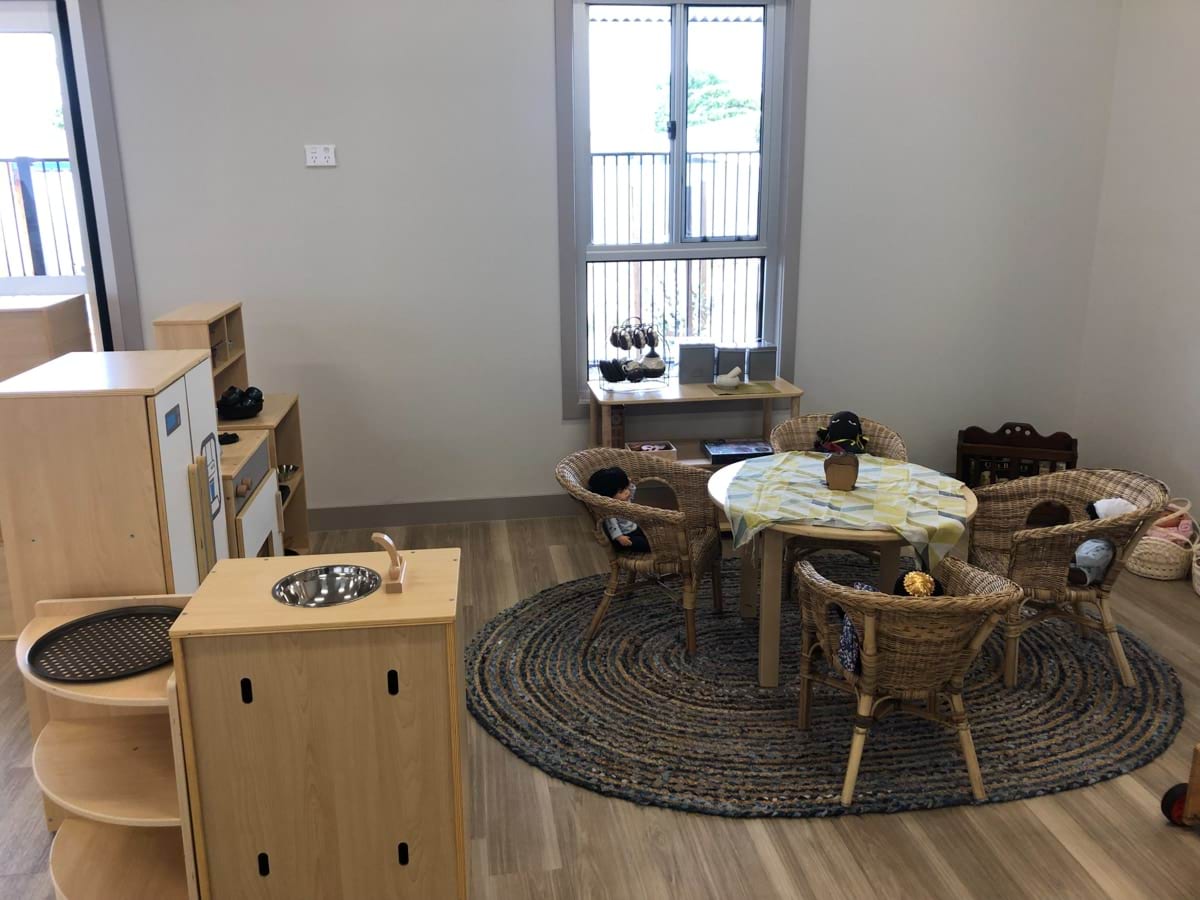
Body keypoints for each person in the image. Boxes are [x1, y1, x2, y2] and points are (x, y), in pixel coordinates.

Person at [587, 466, 651, 553]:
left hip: (634, 527)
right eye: (621, 491)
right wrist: (619, 537)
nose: (627, 492)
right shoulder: (611, 509)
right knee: (643, 544)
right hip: (625, 535)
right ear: (608, 495)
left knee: (650, 535)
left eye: (626, 487)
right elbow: (612, 526)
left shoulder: (624, 499)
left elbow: (631, 492)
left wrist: (629, 483)